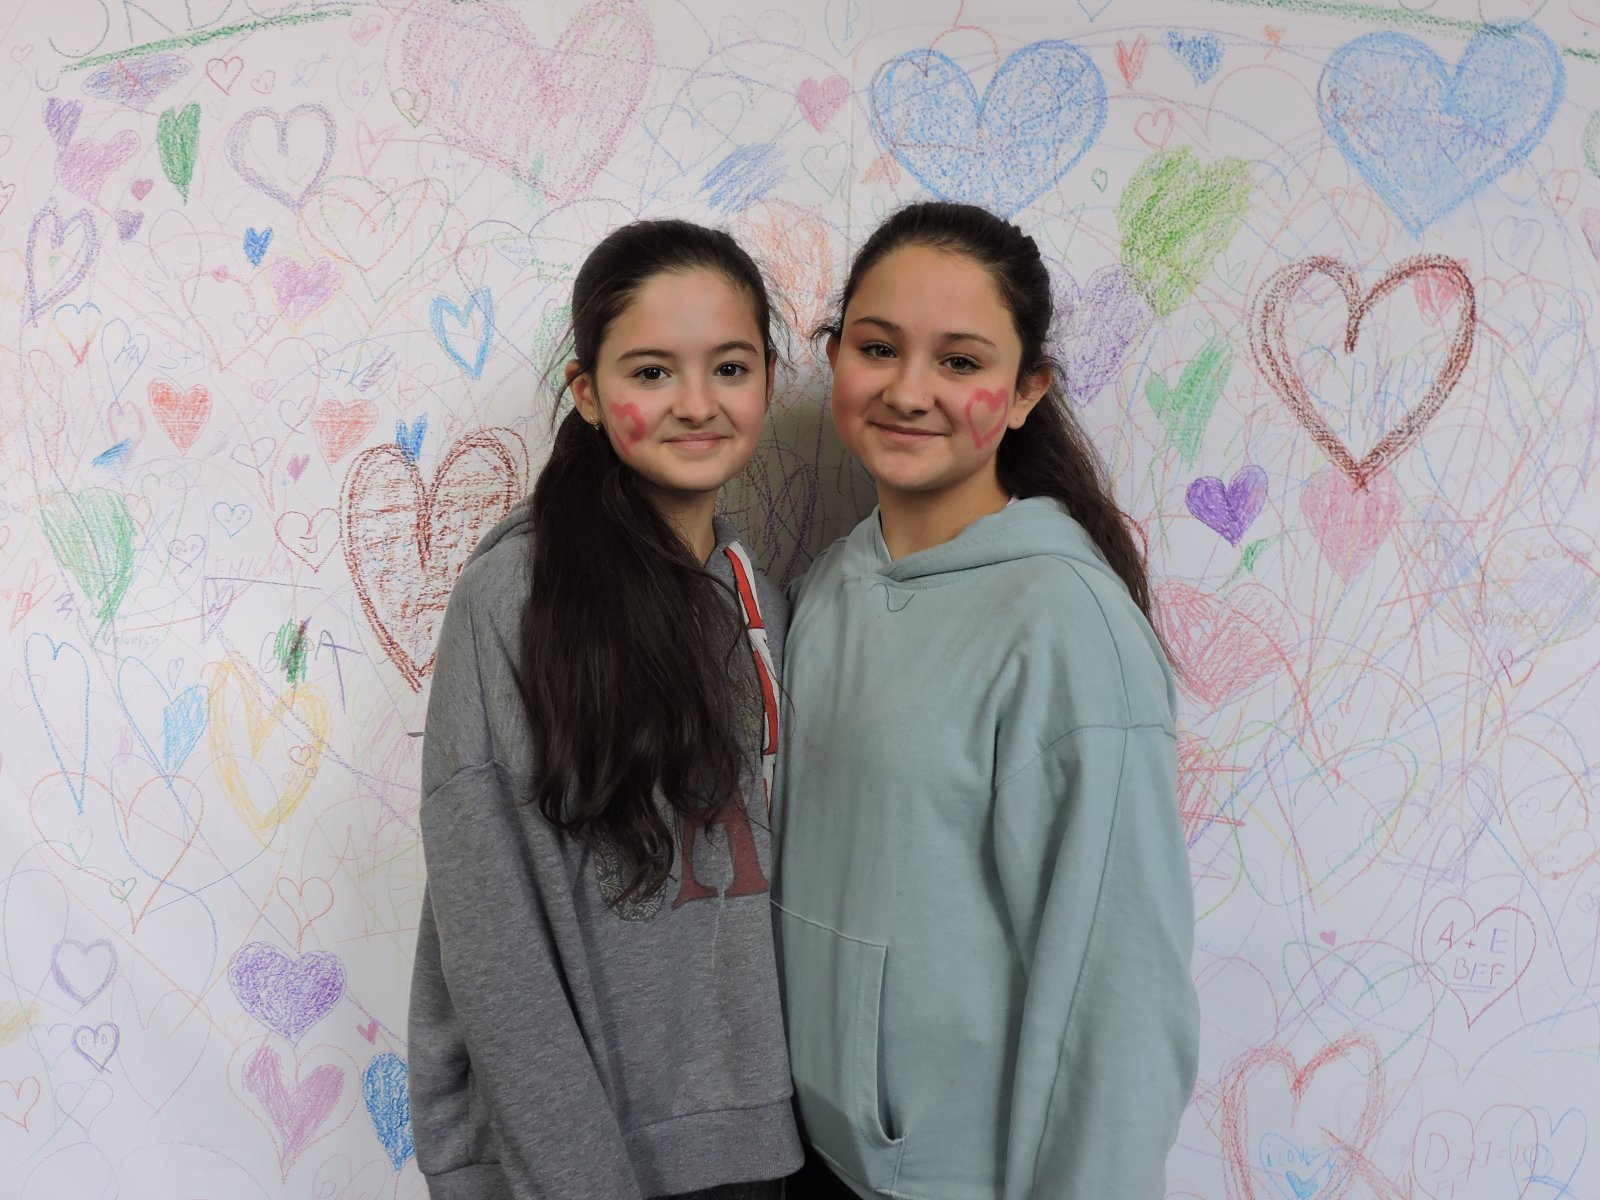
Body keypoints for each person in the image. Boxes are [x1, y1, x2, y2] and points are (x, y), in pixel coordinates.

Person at [775, 202, 1199, 1199]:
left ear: (1024, 394)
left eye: (960, 361)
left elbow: (1121, 997)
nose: (907, 390)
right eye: (878, 348)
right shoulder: (824, 587)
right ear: (834, 359)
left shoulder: (1065, 626)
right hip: (815, 1165)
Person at [409, 219, 803, 1200]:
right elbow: (490, 935)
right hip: (592, 1162)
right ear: (587, 393)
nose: (697, 403)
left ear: (768, 379)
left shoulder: (763, 599)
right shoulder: (516, 598)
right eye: (652, 372)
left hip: (765, 1150)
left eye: (730, 367)